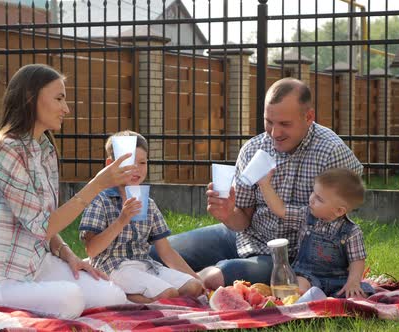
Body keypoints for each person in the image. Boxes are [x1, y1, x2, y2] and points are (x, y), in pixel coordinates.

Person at [0, 64, 134, 319]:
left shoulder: (45, 149)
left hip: (37, 263)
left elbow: (43, 222)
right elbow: (41, 226)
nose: (66, 108)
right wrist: (97, 185)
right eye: (59, 98)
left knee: (112, 295)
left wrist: (68, 254)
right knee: (71, 300)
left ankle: (46, 293)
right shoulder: (4, 149)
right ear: (30, 98)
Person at [150, 77, 363, 290]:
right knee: (154, 252)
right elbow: (242, 220)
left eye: (285, 124)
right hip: (244, 237)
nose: (274, 133)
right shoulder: (253, 150)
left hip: (291, 258)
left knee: (220, 276)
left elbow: (340, 223)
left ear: (309, 117)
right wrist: (227, 213)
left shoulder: (332, 153)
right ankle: (161, 281)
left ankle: (181, 285)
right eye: (269, 122)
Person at [79, 131, 203, 303]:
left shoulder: (148, 203)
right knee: (168, 295)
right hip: (113, 268)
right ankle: (121, 299)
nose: (136, 168)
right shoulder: (100, 200)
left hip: (145, 265)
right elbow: (92, 250)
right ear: (110, 165)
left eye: (142, 162)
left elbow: (166, 251)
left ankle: (151, 299)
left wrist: (197, 278)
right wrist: (122, 220)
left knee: (193, 288)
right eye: (130, 162)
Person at [258, 167, 374, 298]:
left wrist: (353, 282)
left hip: (338, 280)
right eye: (313, 192)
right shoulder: (304, 216)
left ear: (339, 211)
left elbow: (357, 260)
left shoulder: (352, 231)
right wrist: (264, 184)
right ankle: (311, 299)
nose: (311, 199)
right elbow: (280, 209)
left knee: (359, 294)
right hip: (307, 276)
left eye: (319, 199)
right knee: (299, 289)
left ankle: (321, 299)